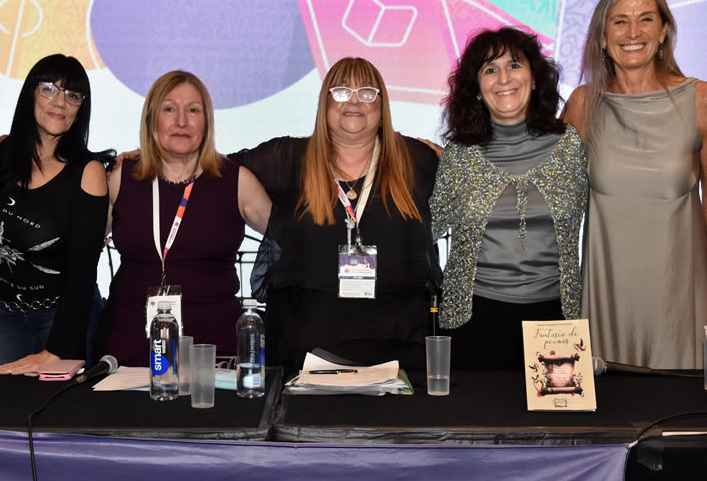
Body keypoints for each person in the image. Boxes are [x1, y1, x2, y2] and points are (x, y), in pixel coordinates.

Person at [231, 57, 440, 373]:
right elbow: (213, 170)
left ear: (382, 105)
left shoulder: (416, 159)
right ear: (324, 102)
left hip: (400, 353)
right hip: (304, 353)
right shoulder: (288, 159)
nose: (354, 101)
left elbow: (470, 187)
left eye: (367, 92)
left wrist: (450, 156)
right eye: (341, 91)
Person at [564, 0, 707, 369]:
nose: (633, 32)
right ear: (603, 37)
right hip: (606, 302)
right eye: (619, 21)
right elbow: (542, 183)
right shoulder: (583, 105)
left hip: (681, 304)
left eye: (645, 19)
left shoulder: (699, 100)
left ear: (663, 31)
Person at [430, 28, 588, 370]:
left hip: (556, 320)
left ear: (535, 77)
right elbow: (426, 227)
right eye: (490, 69)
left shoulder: (570, 145)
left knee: (558, 407)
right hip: (474, 321)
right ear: (476, 88)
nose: (504, 78)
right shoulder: (458, 156)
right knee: (476, 407)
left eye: (514, 65)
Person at [101, 70, 271, 365]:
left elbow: (289, 242)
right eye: (169, 109)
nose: (181, 121)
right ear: (152, 118)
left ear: (207, 122)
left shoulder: (236, 181)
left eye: (193, 110)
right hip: (130, 353)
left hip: (214, 355)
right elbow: (79, 253)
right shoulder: (120, 178)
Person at [0, 54, 113, 374]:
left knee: (53, 404)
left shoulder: (89, 172)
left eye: (73, 95)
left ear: (81, 107)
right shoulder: (0, 150)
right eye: (49, 89)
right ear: (30, 93)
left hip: (60, 316)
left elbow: (83, 272)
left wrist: (58, 349)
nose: (60, 102)